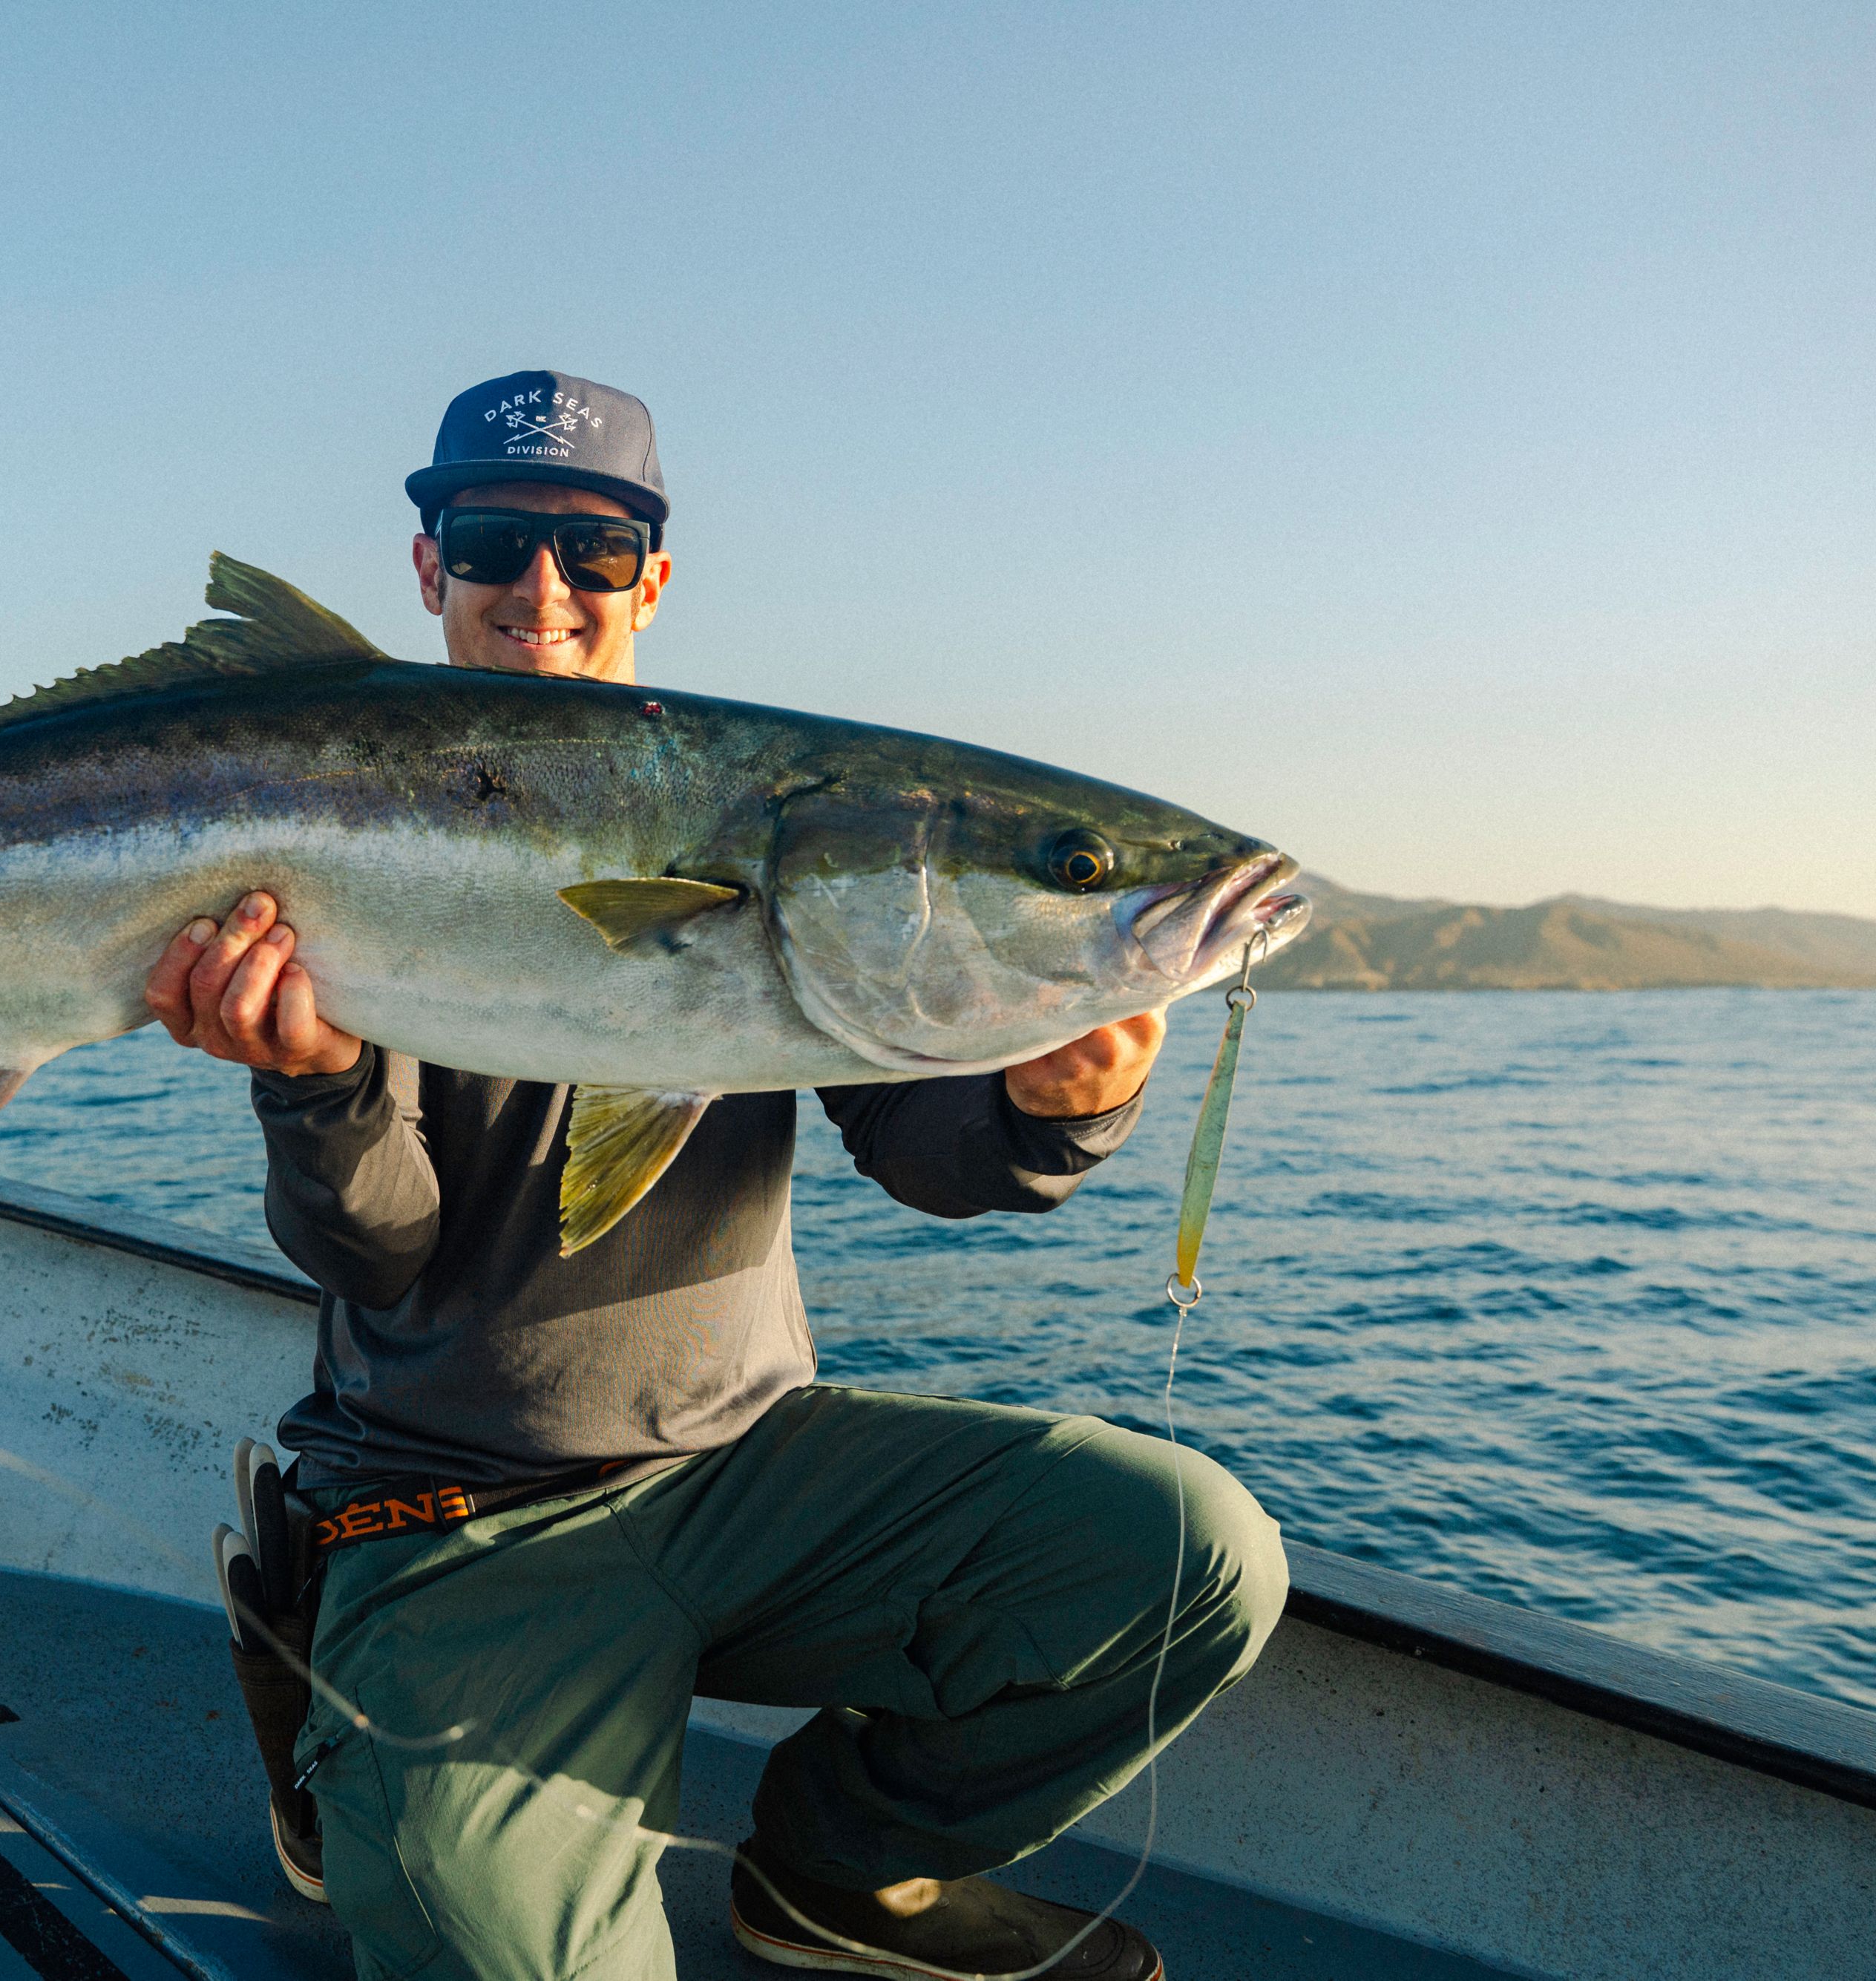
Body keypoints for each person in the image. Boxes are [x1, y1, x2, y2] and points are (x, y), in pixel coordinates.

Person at [144, 370, 1285, 1981]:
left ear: (650, 580)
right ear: (427, 571)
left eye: (594, 552)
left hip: (749, 1476)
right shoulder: (350, 821)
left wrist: (1050, 1107)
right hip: (458, 1507)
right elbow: (376, 1251)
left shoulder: (758, 816)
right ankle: (335, 1701)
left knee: (1186, 1550)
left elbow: (927, 1160)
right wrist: (315, 1083)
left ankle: (834, 1874)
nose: (541, 587)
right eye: (492, 540)